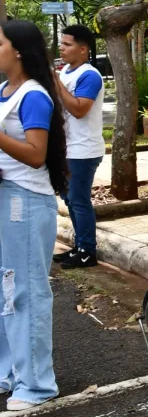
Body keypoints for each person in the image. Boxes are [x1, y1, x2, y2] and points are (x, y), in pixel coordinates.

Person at [0, 20, 69, 411]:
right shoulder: (4, 92)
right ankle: (9, 371)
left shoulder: (33, 96)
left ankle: (37, 384)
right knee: (5, 289)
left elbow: (35, 154)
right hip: (7, 199)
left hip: (24, 202)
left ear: (19, 51)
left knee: (25, 291)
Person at [52, 24, 105, 269]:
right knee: (70, 200)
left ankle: (87, 251)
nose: (62, 48)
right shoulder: (66, 73)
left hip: (83, 150)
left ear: (83, 49)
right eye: (62, 44)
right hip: (68, 149)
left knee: (79, 200)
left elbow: (79, 109)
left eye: (67, 44)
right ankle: (80, 247)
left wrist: (56, 82)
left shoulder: (89, 75)